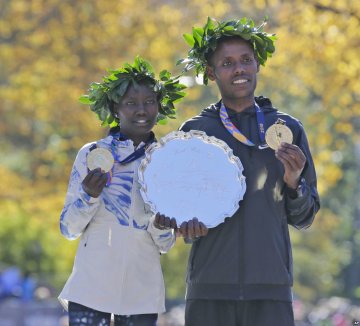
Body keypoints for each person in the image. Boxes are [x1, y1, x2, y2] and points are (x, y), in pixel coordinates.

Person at [177, 17, 320, 326]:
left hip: (270, 290)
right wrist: (182, 222)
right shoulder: (195, 132)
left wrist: (295, 182)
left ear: (258, 65)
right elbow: (178, 208)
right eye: (227, 63)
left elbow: (305, 217)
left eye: (245, 60)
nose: (239, 69)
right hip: (208, 289)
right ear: (211, 73)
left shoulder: (287, 129)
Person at [58, 56, 184, 326]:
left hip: (142, 293)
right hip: (90, 289)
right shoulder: (91, 154)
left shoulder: (166, 162)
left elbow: (166, 244)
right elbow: (68, 229)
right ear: (115, 108)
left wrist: (160, 225)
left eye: (149, 102)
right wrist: (88, 197)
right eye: (131, 103)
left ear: (159, 107)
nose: (141, 110)